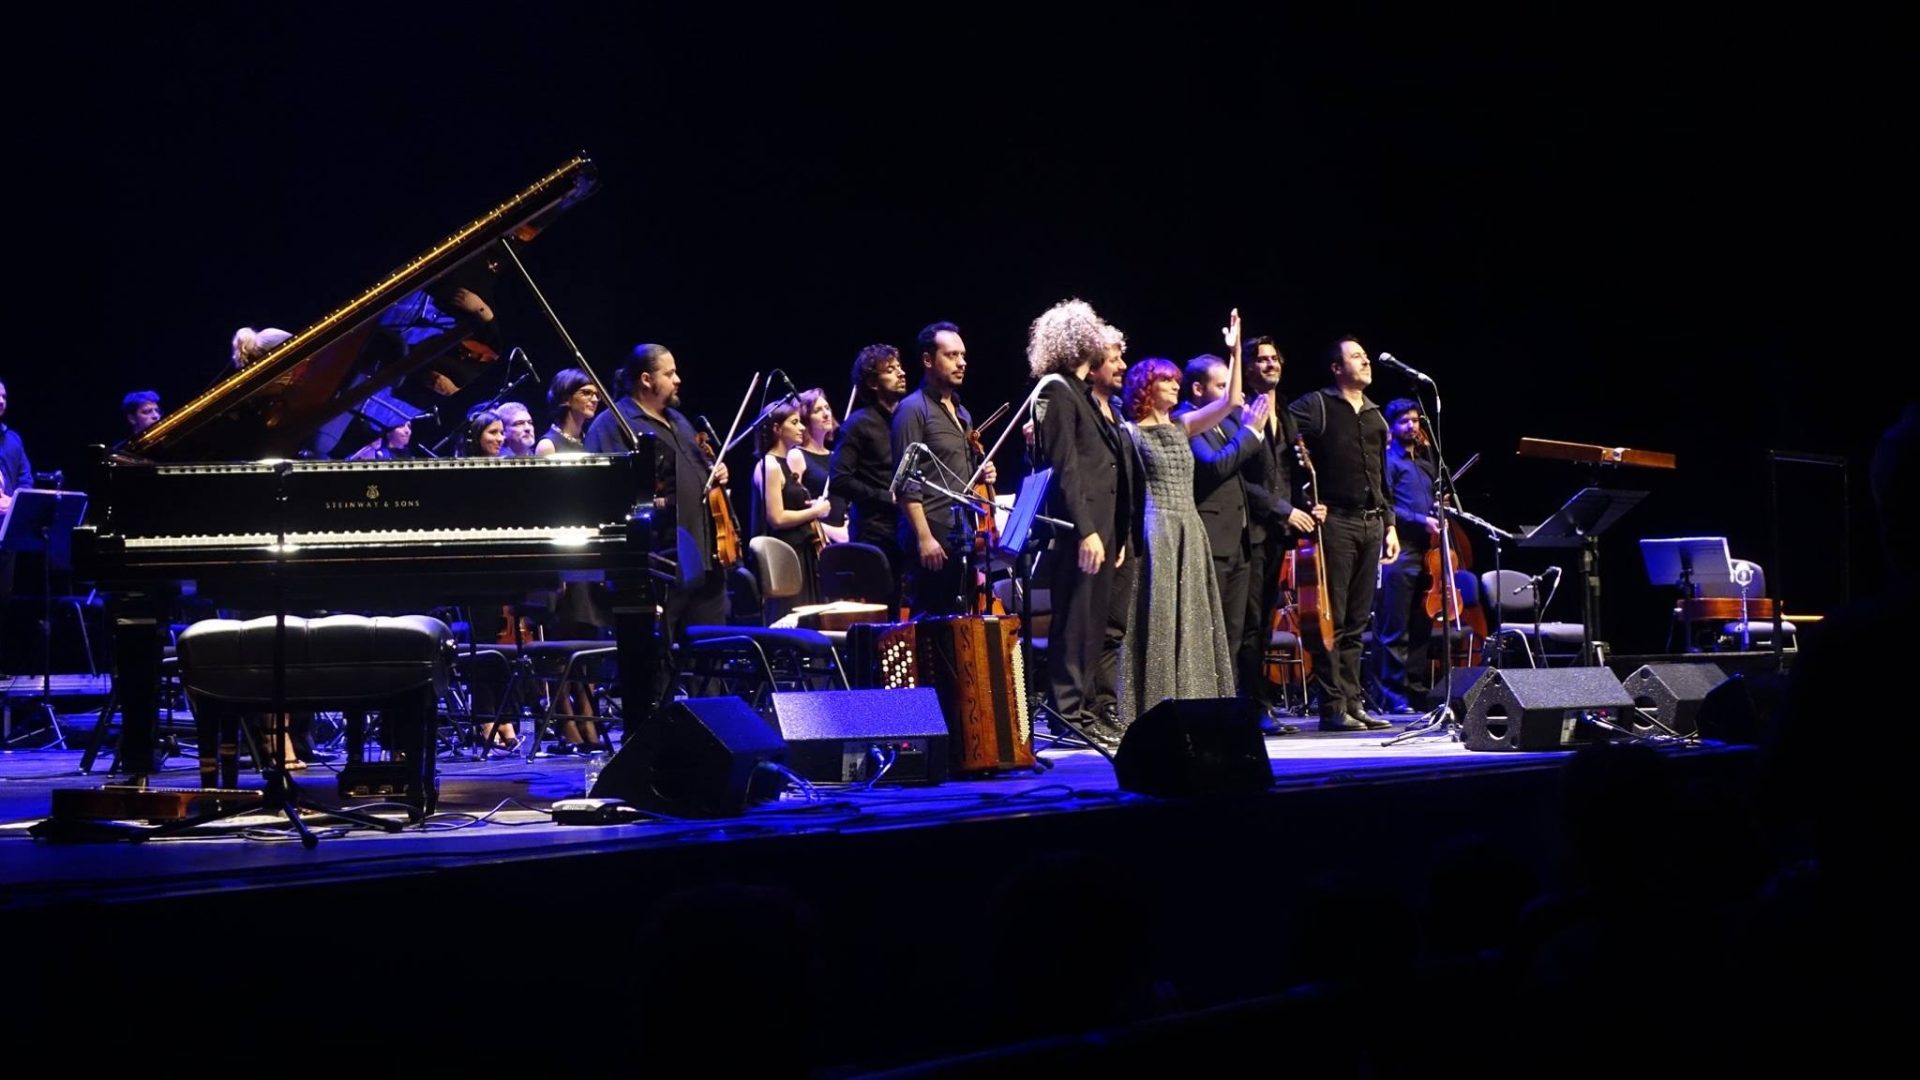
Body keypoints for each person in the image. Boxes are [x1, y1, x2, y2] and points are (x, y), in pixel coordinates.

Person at [1116, 312, 1254, 727]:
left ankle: (1199, 702)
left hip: (1190, 528)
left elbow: (1231, 402)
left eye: (1178, 380)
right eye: (1167, 380)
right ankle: (1155, 705)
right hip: (1157, 526)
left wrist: (1234, 350)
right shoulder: (1131, 433)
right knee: (1160, 616)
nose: (1176, 386)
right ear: (1146, 387)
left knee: (1194, 615)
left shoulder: (1182, 425)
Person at [1029, 301, 1143, 748]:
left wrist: (1112, 531)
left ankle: (1087, 709)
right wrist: (1087, 529)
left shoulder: (1083, 394)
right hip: (1080, 528)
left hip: (1102, 529)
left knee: (1094, 624)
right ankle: (1067, 713)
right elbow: (1065, 467)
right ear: (1078, 337)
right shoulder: (1057, 388)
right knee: (1075, 622)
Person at [583, 343, 730, 687]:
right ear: (646, 379)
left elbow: (696, 473)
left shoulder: (679, 420)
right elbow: (604, 491)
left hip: (705, 553)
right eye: (669, 373)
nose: (678, 380)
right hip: (660, 560)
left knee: (711, 657)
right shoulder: (612, 424)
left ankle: (711, 733)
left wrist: (717, 471)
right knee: (657, 662)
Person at [1288, 338, 1399, 731]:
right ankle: (1332, 706)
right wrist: (1298, 499)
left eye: (1366, 355)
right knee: (1329, 621)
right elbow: (1282, 442)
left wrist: (1390, 524)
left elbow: (1381, 478)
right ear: (1336, 368)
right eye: (1356, 356)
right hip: (1334, 523)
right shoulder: (1315, 406)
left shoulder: (1375, 416)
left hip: (1371, 523)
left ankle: (1353, 702)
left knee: (1356, 621)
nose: (1366, 359)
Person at [1235, 337, 1320, 723]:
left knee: (1265, 621)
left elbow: (1285, 475)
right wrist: (1283, 510)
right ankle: (1251, 705)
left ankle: (1260, 702)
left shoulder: (1285, 412)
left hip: (1276, 534)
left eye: (1274, 359)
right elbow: (1238, 479)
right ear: (1248, 368)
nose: (1270, 365)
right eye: (1261, 360)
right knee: (1249, 624)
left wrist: (1307, 507)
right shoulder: (1237, 411)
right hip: (1246, 530)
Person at [892, 322, 993, 616]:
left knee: (961, 624)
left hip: (962, 534)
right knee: (932, 622)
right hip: (932, 533)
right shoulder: (912, 409)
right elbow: (904, 481)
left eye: (963, 355)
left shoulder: (963, 413)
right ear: (927, 360)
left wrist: (984, 473)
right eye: (951, 355)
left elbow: (961, 472)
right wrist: (924, 537)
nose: (961, 362)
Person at [1087, 324, 1144, 731]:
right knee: (1088, 626)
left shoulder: (1119, 411)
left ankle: (1106, 704)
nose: (1123, 365)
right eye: (1114, 358)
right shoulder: (1081, 407)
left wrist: (1124, 533)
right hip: (1093, 532)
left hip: (1122, 533)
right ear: (1092, 366)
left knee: (1113, 627)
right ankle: (1082, 709)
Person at [829, 344, 910, 602]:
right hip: (874, 534)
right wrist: (886, 497)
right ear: (873, 383)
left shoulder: (907, 419)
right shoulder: (858, 424)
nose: (901, 373)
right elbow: (840, 479)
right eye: (890, 369)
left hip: (905, 529)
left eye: (899, 366)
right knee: (881, 614)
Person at [1373, 397, 1438, 714]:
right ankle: (1392, 694)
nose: (1411, 426)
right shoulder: (1388, 461)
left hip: (1428, 553)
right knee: (1394, 627)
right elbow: (1385, 505)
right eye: (1404, 421)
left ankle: (1415, 690)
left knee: (1421, 626)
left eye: (1415, 420)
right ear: (1392, 426)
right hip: (1398, 550)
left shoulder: (1425, 464)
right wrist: (1419, 518)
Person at [753, 398, 831, 619]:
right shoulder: (770, 465)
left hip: (801, 553)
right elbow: (776, 518)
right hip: (785, 556)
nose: (802, 428)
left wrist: (810, 506)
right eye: (795, 422)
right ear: (777, 429)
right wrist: (817, 511)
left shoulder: (786, 464)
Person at [794, 388, 849, 546]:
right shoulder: (797, 456)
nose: (826, 414)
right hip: (817, 542)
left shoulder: (835, 456)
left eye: (827, 408)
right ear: (805, 420)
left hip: (843, 540)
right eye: (817, 410)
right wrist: (828, 530)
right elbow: (793, 505)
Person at [0, 377, 32, 611]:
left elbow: (25, 478)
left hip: (4, 531)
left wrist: (16, 502)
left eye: (4, 396)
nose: (1, 401)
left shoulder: (12, 440)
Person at [535, 368, 600, 456]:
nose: (595, 399)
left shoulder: (591, 440)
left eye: (597, 395)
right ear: (566, 399)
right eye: (586, 393)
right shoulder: (548, 446)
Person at [347, 418, 413, 460]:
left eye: (409, 427)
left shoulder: (409, 458)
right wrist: (370, 448)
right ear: (389, 433)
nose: (407, 431)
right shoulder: (372, 444)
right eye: (401, 426)